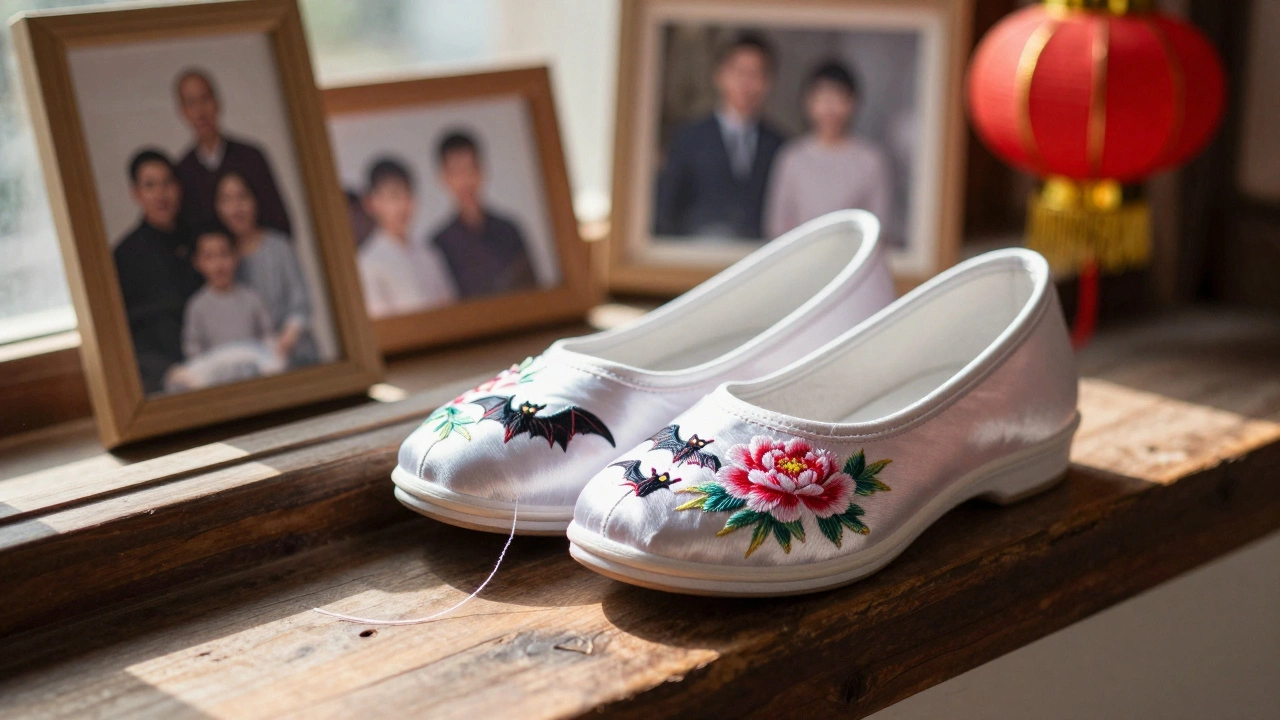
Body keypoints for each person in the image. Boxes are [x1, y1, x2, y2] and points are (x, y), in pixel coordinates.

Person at [654, 32, 786, 240]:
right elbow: (666, 207)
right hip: (695, 254)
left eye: (756, 74)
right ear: (720, 76)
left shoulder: (779, 144)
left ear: (768, 82)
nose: (746, 83)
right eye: (739, 72)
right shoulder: (689, 137)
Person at [765, 60, 892, 239]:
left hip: (856, 260)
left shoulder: (870, 159)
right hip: (804, 259)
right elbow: (778, 225)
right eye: (822, 98)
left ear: (853, 102)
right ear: (807, 103)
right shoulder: (793, 157)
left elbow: (877, 224)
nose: (829, 108)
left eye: (838, 98)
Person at [112, 149, 202, 394]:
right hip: (161, 374)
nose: (161, 194)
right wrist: (164, 370)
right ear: (136, 193)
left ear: (178, 187)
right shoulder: (125, 254)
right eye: (150, 186)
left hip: (210, 359)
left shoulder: (199, 240)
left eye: (167, 183)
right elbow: (128, 331)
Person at [213, 169, 319, 367]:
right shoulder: (221, 258)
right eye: (226, 200)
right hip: (250, 365)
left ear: (255, 199)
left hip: (297, 357)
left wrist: (283, 342)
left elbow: (301, 304)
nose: (236, 208)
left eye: (242, 197)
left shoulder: (279, 246)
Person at [172, 68, 292, 236]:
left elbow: (279, 221)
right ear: (183, 111)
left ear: (217, 103)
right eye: (191, 103)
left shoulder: (251, 157)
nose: (200, 111)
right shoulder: (183, 171)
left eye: (204, 99)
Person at [428, 131, 539, 299]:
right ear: (443, 177)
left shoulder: (509, 229)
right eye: (456, 172)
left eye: (470, 169)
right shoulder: (439, 244)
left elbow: (533, 289)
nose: (465, 180)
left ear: (482, 170)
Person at [357, 159, 457, 318]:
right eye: (394, 196)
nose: (403, 205)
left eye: (408, 195)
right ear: (372, 203)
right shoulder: (368, 262)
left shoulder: (428, 253)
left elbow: (450, 306)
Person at [181, 229, 276, 362]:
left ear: (236, 256)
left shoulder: (252, 298)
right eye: (209, 257)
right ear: (198, 263)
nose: (218, 264)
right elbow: (193, 349)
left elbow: (268, 336)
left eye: (224, 254)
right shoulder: (197, 306)